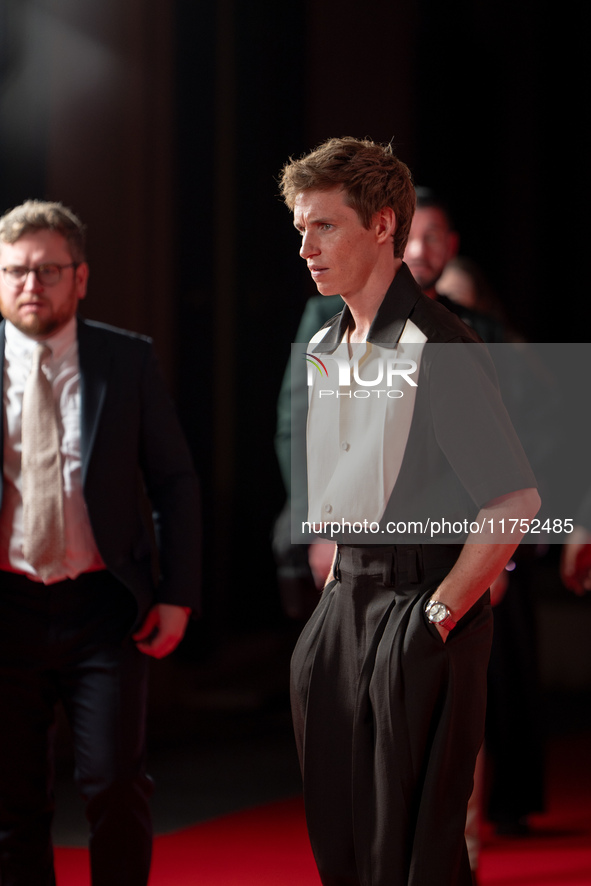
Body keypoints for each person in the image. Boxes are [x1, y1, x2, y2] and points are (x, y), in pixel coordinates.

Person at [279, 137, 540, 886]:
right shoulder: (326, 340)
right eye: (300, 228)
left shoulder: (441, 346)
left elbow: (514, 498)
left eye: (323, 226)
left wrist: (440, 612)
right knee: (343, 846)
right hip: (343, 609)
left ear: (383, 223)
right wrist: (331, 605)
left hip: (418, 609)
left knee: (414, 856)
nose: (306, 247)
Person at [0, 200, 201, 886]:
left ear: (80, 278)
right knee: (11, 804)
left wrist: (177, 595)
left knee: (115, 787)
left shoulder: (126, 359)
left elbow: (174, 481)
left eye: (48, 271)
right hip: (6, 611)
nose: (31, 285)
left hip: (103, 611)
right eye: (16, 272)